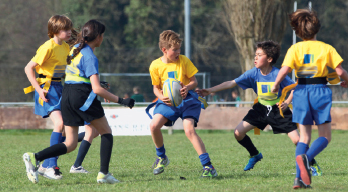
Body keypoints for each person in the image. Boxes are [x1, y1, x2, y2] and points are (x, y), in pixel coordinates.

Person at [22, 19, 135, 184]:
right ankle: (103, 174)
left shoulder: (74, 49)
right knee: (106, 133)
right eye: (102, 35)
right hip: (81, 96)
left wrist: (96, 85)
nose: (103, 38)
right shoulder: (89, 56)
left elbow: (76, 75)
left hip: (66, 95)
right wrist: (122, 101)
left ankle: (35, 157)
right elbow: (96, 89)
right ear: (98, 37)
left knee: (70, 143)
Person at [197, 40, 320, 179]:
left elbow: (295, 88)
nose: (255, 57)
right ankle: (255, 154)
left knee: (297, 140)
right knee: (238, 133)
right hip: (260, 109)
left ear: (269, 59)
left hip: (278, 110)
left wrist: (286, 102)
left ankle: (313, 165)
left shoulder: (278, 74)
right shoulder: (253, 73)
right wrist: (209, 90)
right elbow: (231, 83)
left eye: (259, 55)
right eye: (255, 54)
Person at [271, 9, 348, 189]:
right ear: (316, 28)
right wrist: (346, 80)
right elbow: (339, 71)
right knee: (325, 136)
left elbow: (284, 70)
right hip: (319, 91)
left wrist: (276, 84)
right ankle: (307, 158)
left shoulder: (294, 48)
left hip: (300, 92)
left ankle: (299, 179)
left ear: (298, 31)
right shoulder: (326, 48)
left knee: (304, 138)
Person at [146, 30, 217, 178]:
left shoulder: (184, 61)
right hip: (168, 102)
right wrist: (161, 96)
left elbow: (194, 81)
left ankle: (208, 167)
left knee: (189, 130)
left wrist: (187, 88)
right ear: (164, 50)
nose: (178, 52)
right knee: (153, 126)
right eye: (175, 50)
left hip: (188, 100)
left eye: (179, 49)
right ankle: (162, 157)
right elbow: (156, 88)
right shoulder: (155, 66)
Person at [24, 15, 76, 179]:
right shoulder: (47, 47)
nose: (69, 32)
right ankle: (51, 166)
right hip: (47, 90)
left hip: (60, 87)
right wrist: (38, 90)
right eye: (65, 29)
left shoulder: (66, 47)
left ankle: (45, 165)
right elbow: (28, 68)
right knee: (60, 123)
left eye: (69, 29)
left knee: (68, 131)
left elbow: (69, 69)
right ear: (55, 31)